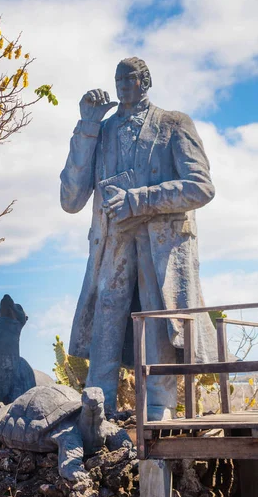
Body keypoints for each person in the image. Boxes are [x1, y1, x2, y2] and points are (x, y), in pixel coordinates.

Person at [60, 56, 217, 420]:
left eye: (129, 78)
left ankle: (159, 407)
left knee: (156, 313)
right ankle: (98, 405)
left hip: (159, 242)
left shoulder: (174, 124)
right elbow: (70, 200)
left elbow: (201, 188)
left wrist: (140, 199)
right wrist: (86, 127)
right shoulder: (101, 132)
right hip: (112, 240)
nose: (122, 86)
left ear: (146, 80)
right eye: (118, 79)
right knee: (107, 313)